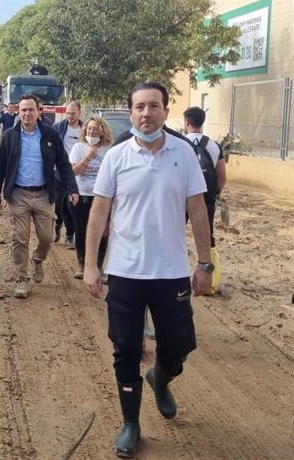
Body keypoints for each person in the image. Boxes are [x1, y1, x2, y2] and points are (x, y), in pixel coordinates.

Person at [83, 82, 212, 457]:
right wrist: (92, 265)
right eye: (139, 107)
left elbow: (199, 210)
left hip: (170, 270)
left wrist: (205, 263)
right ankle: (131, 423)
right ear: (131, 112)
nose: (146, 113)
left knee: (179, 345)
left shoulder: (184, 154)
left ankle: (161, 376)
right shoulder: (117, 156)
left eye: (153, 106)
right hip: (125, 272)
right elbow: (99, 214)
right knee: (125, 348)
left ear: (166, 111)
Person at [0, 94, 79, 299]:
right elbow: (0, 168)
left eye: (31, 110)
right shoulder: (10, 136)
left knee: (46, 238)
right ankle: (21, 278)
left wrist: (72, 189)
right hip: (18, 194)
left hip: (44, 194)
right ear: (17, 112)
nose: (27, 114)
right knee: (19, 239)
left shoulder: (50, 135)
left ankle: (38, 259)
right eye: (23, 110)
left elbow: (64, 165)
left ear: (39, 111)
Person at [183, 106, 227, 294]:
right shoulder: (214, 145)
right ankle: (212, 281)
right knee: (208, 236)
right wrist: (213, 194)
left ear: (186, 122)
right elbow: (222, 176)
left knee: (174, 232)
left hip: (180, 196)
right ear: (202, 122)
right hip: (206, 196)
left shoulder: (179, 142)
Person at [67, 116, 113, 279]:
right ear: (85, 130)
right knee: (81, 230)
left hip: (102, 198)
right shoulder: (78, 147)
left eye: (96, 128)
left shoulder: (109, 150)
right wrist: (87, 158)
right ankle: (82, 264)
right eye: (89, 128)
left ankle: (99, 265)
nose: (92, 131)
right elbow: (73, 173)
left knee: (103, 231)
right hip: (81, 196)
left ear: (102, 131)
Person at [52, 101, 82, 248]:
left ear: (79, 113)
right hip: (60, 171)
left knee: (72, 205)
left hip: (78, 172)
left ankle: (70, 235)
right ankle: (58, 223)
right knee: (58, 204)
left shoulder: (84, 130)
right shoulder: (58, 128)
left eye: (73, 113)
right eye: (68, 113)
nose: (70, 116)